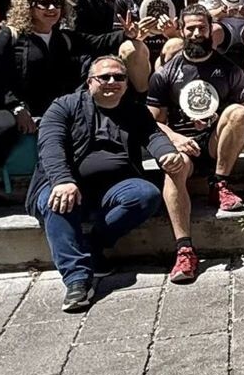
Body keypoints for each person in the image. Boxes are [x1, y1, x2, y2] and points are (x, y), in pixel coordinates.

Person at [31, 56, 173, 312]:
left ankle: (91, 246)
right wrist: (63, 181)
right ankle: (77, 281)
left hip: (115, 187)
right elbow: (50, 147)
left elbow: (152, 134)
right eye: (104, 77)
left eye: (119, 77)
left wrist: (166, 153)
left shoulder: (133, 109)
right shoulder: (64, 107)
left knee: (146, 194)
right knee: (57, 202)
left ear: (127, 83)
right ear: (89, 81)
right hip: (65, 183)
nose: (112, 82)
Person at [146, 6, 244, 281]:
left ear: (211, 31)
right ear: (182, 31)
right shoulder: (165, 74)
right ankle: (184, 250)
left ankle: (220, 183)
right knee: (173, 166)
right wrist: (177, 138)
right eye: (190, 28)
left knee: (239, 113)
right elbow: (151, 122)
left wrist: (216, 118)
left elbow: (242, 114)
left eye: (201, 28)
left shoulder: (229, 68)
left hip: (215, 144)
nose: (196, 33)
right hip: (183, 146)